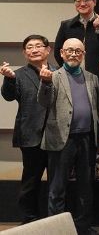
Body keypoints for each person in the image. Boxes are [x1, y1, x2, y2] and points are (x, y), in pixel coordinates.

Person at [38, 38, 99, 235]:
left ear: (83, 54)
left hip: (86, 139)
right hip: (61, 139)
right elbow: (44, 102)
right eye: (70, 50)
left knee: (85, 188)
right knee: (57, 189)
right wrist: (45, 82)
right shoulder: (53, 76)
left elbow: (98, 107)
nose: (74, 54)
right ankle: (56, 230)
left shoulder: (92, 78)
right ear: (62, 53)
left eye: (78, 51)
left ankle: (83, 227)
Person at [54, 0, 99, 180]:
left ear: (94, 2)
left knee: (97, 121)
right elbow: (58, 52)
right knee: (72, 120)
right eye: (78, 1)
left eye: (86, 0)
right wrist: (68, 73)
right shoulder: (67, 25)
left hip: (95, 81)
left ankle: (95, 164)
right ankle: (72, 164)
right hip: (71, 80)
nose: (82, 4)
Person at [1, 35, 52, 224]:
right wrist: (9, 79)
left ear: (48, 50)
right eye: (30, 47)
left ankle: (55, 218)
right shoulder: (18, 74)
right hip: (30, 135)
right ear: (24, 53)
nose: (34, 50)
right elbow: (8, 96)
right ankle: (29, 220)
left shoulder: (59, 72)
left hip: (56, 135)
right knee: (30, 181)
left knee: (57, 181)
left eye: (39, 46)